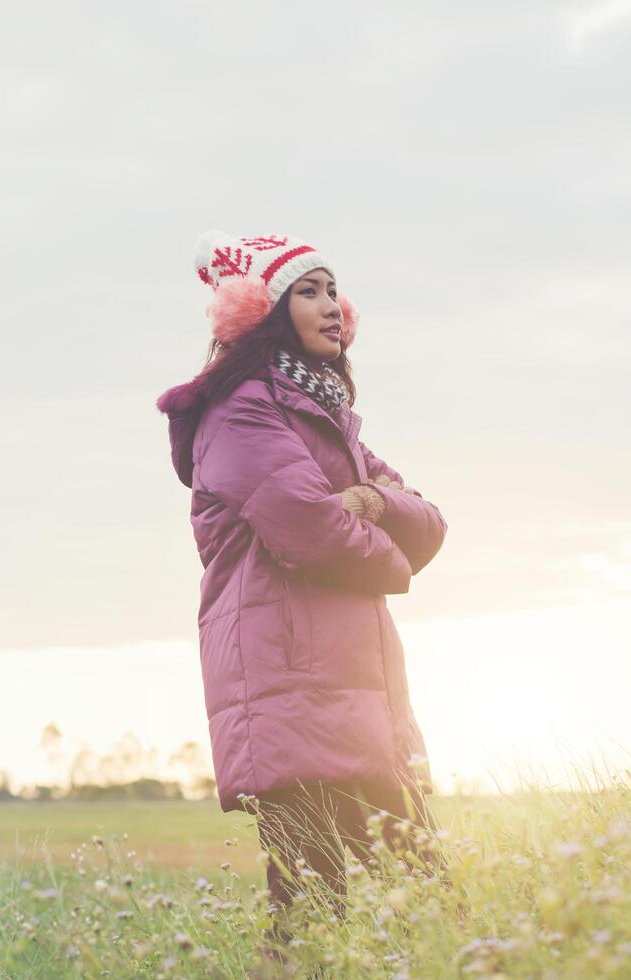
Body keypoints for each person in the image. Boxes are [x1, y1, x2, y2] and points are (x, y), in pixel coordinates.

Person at [155, 230, 450, 943]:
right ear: (262, 311)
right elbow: (311, 529)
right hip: (292, 686)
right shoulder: (241, 411)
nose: (330, 307)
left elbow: (428, 522)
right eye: (306, 292)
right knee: (335, 905)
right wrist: (380, 548)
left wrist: (373, 503)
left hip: (353, 686)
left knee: (385, 901)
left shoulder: (327, 419)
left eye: (331, 290)